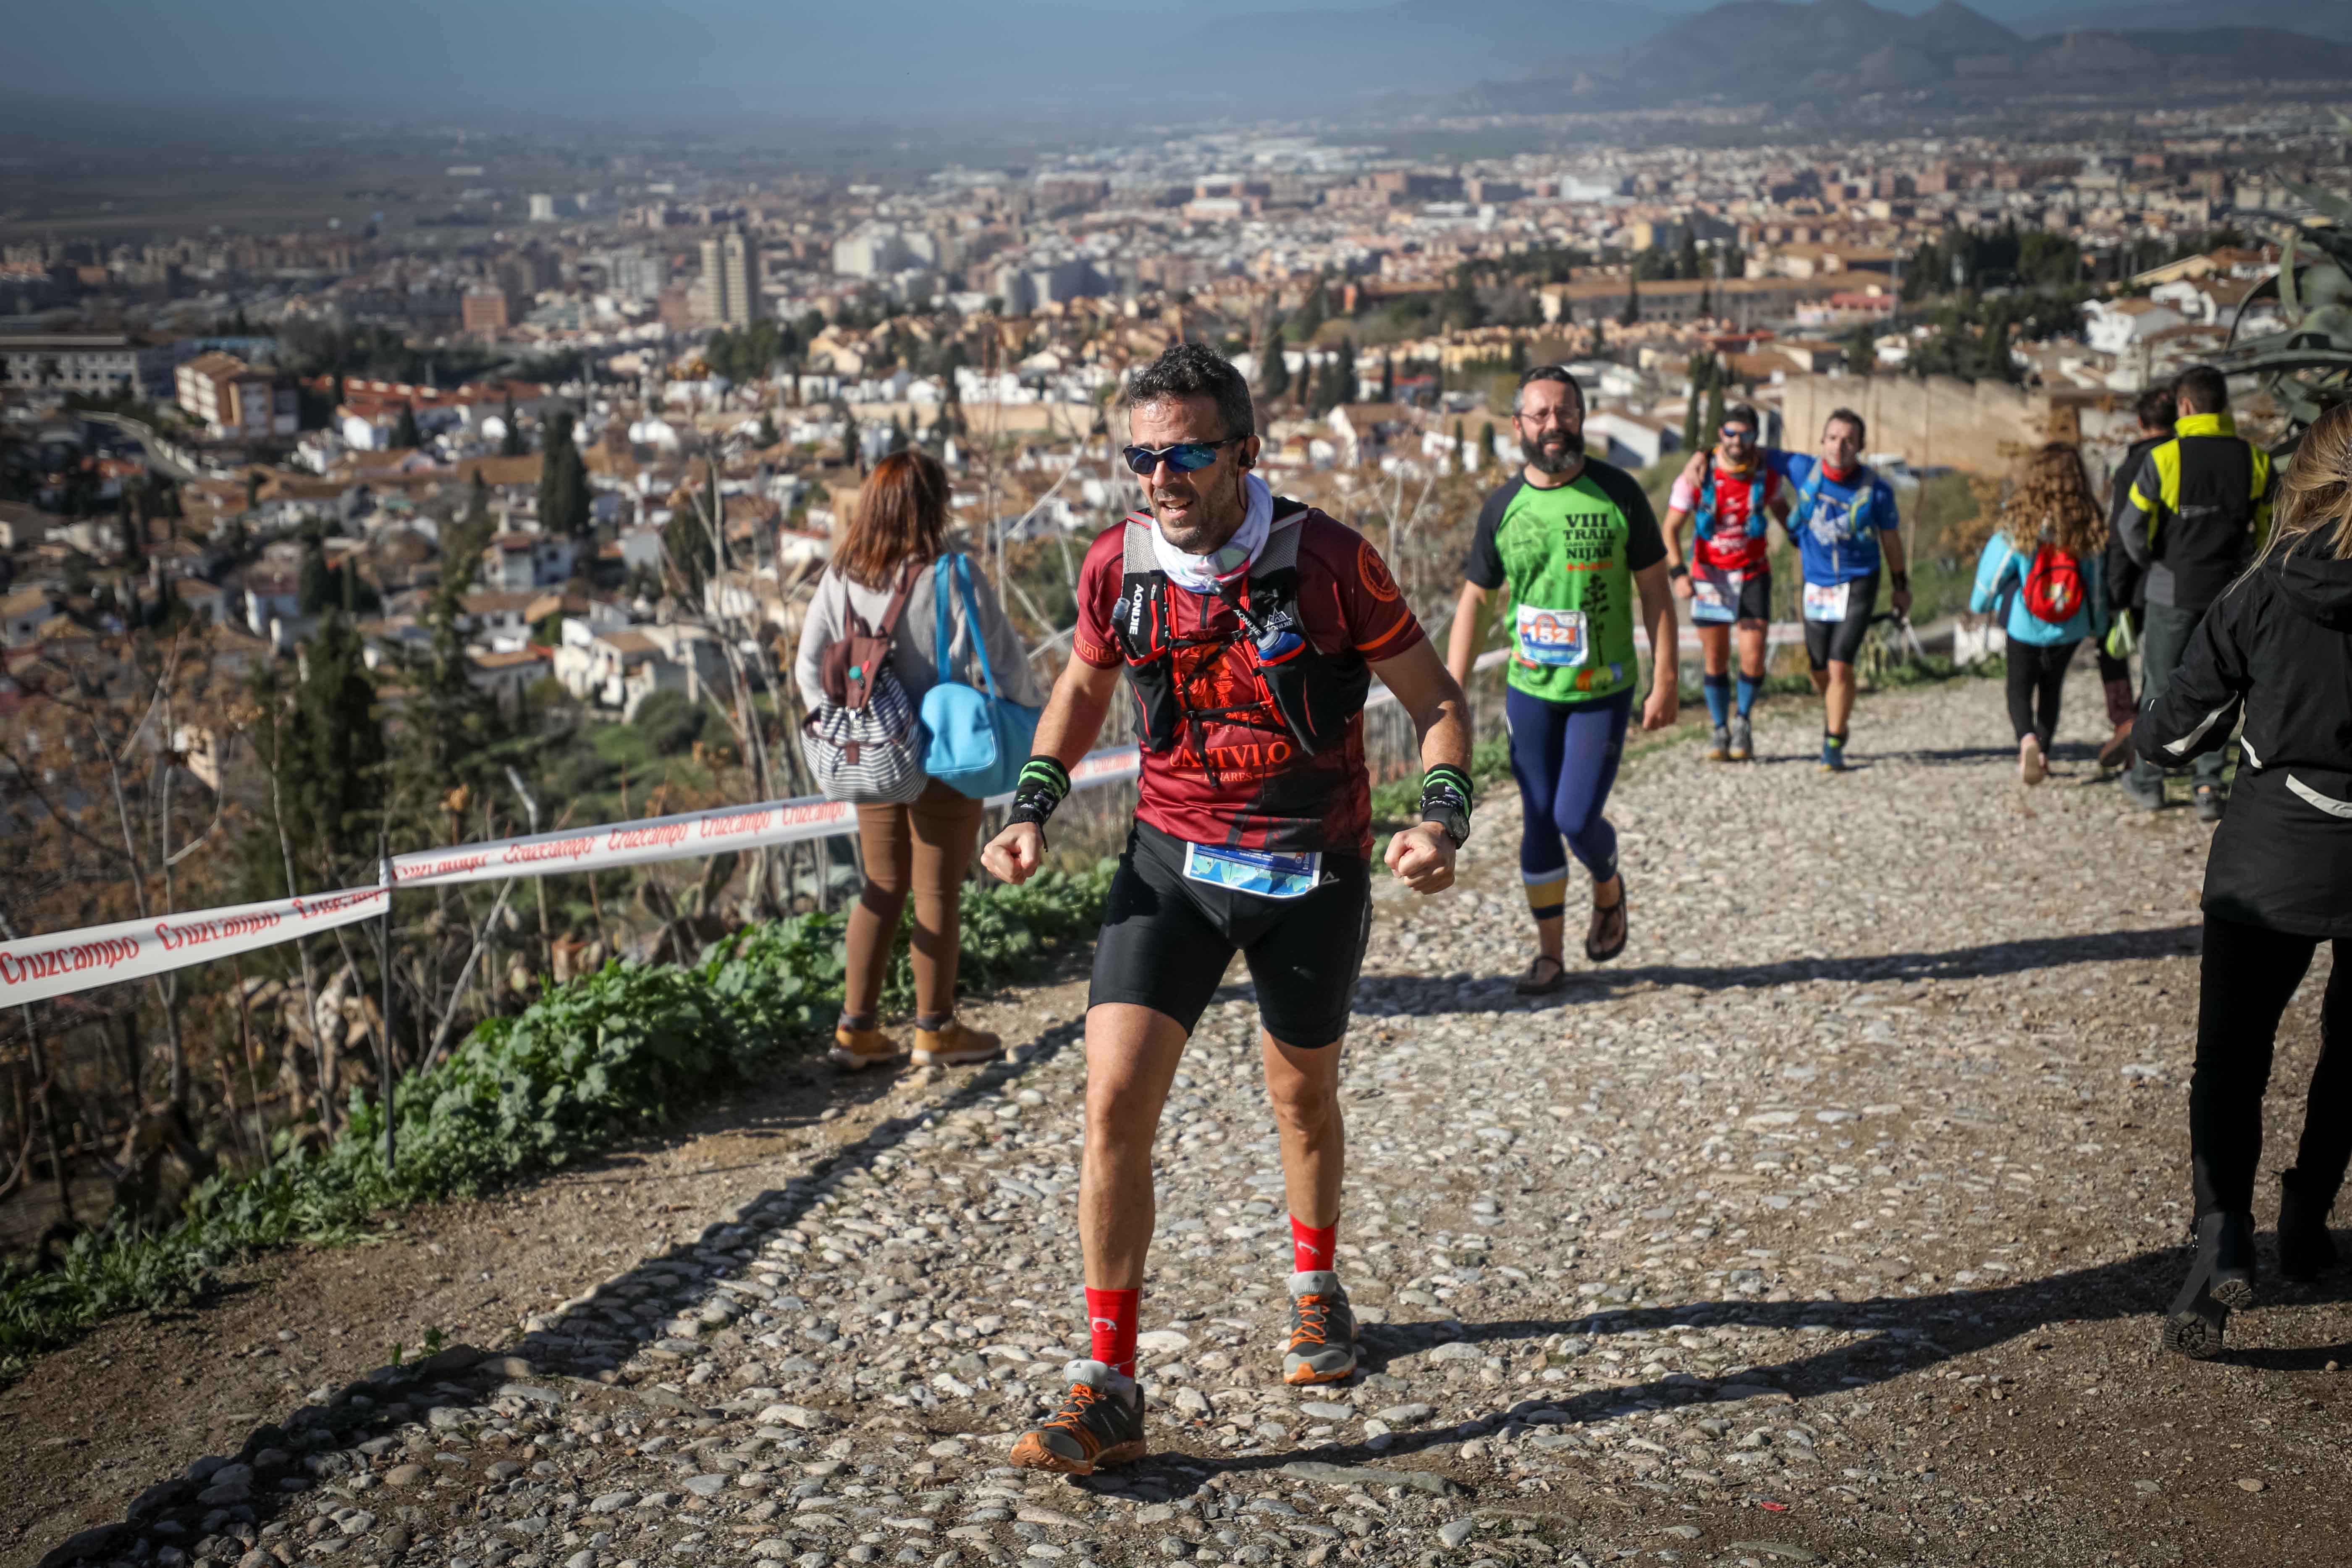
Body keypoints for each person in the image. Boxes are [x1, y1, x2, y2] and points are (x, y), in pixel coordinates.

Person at [979, 344, 1471, 1474]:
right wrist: (1033, 804)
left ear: (1246, 453)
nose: (1162, 478)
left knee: (1300, 1099)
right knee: (1111, 1103)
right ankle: (1107, 1382)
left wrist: (1439, 819)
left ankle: (1316, 1288)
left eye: (1187, 454)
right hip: (1172, 864)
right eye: (1142, 456)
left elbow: (1437, 700)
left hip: (1311, 865)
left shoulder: (1333, 561)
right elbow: (1083, 685)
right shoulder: (1117, 565)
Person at [2137, 401, 2352, 1359]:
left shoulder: (2262, 593)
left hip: (2268, 853)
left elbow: (2174, 733)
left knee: (2233, 1056)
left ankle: (2220, 1242)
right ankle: (2306, 1221)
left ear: (2304, 475)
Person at [793, 450, 1044, 1072]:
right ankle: (934, 1029)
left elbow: (807, 667)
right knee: (936, 891)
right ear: (933, 506)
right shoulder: (954, 574)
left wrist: (853, 720)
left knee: (880, 886)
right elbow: (1006, 665)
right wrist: (1028, 718)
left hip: (872, 754)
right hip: (943, 758)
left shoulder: (841, 576)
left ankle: (857, 1030)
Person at [1447, 364, 1679, 996]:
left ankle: (1608, 885)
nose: (1555, 424)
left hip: (1602, 691)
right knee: (1538, 820)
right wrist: (1449, 693)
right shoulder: (1503, 507)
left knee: (1577, 815)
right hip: (1531, 689)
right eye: (1541, 414)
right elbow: (1475, 601)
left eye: (1565, 412)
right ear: (1519, 425)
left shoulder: (1618, 492)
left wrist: (1666, 680)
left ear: (1582, 417)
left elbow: (1655, 589)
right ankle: (1549, 956)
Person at [2117, 364, 2274, 821]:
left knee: (2160, 684)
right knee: (2223, 688)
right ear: (2223, 406)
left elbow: (2131, 526)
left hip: (2171, 590)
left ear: (2184, 406)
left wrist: (2152, 562)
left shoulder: (2163, 459)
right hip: (2231, 592)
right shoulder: (2256, 460)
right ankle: (2209, 785)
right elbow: (2270, 530)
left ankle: (2150, 781)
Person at [1768, 408, 1910, 771]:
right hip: (1816, 583)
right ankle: (1835, 710)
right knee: (1819, 668)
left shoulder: (1876, 491)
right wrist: (1700, 460)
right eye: (1832, 438)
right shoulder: (1802, 469)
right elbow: (1751, 453)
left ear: (1860, 446)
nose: (1839, 446)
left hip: (1859, 580)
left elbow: (1891, 540)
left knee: (1839, 663)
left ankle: (1833, 740)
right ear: (1822, 441)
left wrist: (1900, 586)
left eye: (1848, 440)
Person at [1968, 443, 2110, 785]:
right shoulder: (2086, 521)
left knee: (2018, 687)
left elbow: (1995, 569)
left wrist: (1979, 605)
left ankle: (2026, 741)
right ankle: (2043, 752)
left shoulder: (2021, 519)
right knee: (2051, 688)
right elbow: (2095, 580)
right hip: (2070, 623)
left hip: (2024, 621)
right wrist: (2098, 623)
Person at [1661, 403, 1788, 762]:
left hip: (1752, 571)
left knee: (1753, 655)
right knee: (1714, 658)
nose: (1736, 440)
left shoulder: (1766, 474)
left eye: (1744, 434)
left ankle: (1743, 721)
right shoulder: (1697, 476)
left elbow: (1783, 513)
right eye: (1730, 433)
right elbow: (1669, 529)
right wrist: (1678, 574)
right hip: (1710, 575)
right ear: (1720, 435)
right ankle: (1720, 729)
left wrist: (1804, 540)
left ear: (1754, 436)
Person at [2097, 385, 2177, 771]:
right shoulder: (2187, 458)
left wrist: (2115, 593)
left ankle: (2140, 746)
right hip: (2198, 580)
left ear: (2140, 423)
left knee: (2149, 670)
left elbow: (2121, 534)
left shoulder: (2133, 468)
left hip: (2142, 582)